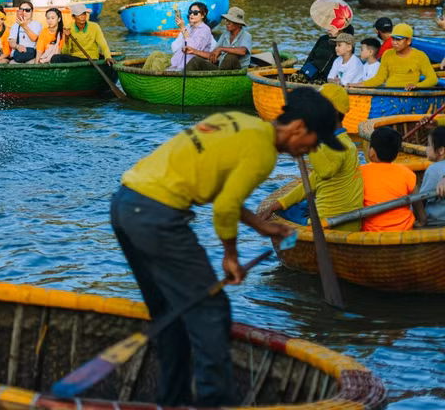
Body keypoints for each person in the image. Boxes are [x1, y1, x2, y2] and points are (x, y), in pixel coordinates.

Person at [111, 89, 339, 406]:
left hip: (125, 204)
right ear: (299, 128)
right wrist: (230, 256)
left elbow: (219, 185)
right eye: (314, 142)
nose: (309, 151)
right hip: (157, 217)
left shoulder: (236, 121)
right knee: (212, 312)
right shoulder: (264, 153)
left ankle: (171, 401)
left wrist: (260, 225)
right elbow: (225, 208)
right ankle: (212, 403)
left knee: (170, 314)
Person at [257, 84, 364, 231]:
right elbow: (312, 182)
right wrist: (277, 204)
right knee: (288, 207)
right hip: (345, 220)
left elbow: (325, 172)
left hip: (330, 224)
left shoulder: (338, 145)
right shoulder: (341, 141)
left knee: (285, 213)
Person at [359, 126, 416, 232]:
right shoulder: (406, 172)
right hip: (404, 230)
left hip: (372, 232)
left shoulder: (360, 172)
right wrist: (422, 221)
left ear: (372, 152)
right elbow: (417, 202)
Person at [360, 23, 438, 89]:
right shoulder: (387, 54)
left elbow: (433, 79)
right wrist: (359, 85)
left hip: (409, 94)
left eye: (398, 39)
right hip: (389, 93)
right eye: (393, 39)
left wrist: (417, 85)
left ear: (408, 41)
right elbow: (379, 79)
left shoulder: (420, 56)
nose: (394, 42)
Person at [187, 6, 251, 71]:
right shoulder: (225, 35)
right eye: (227, 20)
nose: (227, 23)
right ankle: (182, 79)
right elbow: (213, 54)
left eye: (231, 21)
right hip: (221, 69)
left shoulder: (246, 35)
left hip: (238, 71)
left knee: (230, 57)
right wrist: (194, 51)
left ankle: (220, 77)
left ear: (239, 24)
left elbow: (243, 51)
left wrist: (221, 48)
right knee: (195, 60)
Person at [415, 127, 445, 228]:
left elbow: (421, 200)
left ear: (441, 150)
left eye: (429, 145)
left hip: (437, 221)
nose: (426, 148)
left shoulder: (433, 170)